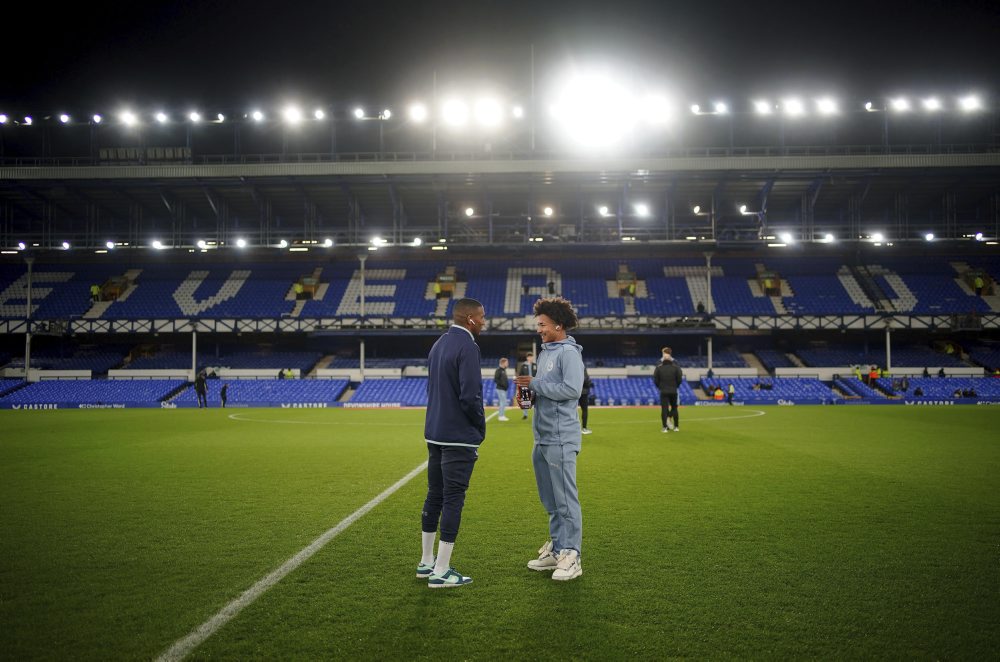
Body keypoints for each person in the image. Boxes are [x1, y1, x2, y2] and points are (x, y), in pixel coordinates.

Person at [418, 298, 487, 588]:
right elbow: (470, 395)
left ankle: (426, 562)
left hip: (434, 431)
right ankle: (442, 570)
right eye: (482, 317)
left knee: (435, 494)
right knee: (453, 499)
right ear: (470, 319)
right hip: (457, 435)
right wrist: (480, 426)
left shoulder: (439, 343)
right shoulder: (467, 346)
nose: (485, 321)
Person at [516, 297, 585, 582]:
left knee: (566, 500)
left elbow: (571, 389)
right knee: (551, 501)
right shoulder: (545, 353)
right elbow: (541, 390)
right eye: (538, 325)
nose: (539, 329)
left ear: (558, 324)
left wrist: (536, 384)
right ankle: (557, 550)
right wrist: (525, 396)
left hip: (561, 438)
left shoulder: (569, 353)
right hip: (542, 437)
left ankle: (572, 555)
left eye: (543, 325)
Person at [653, 347, 683, 433]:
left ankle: (667, 421)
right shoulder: (673, 363)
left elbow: (656, 378)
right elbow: (679, 377)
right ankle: (675, 425)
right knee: (674, 407)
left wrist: (660, 386)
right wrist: (675, 386)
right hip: (673, 388)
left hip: (665, 389)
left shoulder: (661, 363)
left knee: (667, 408)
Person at [518, 352, 537, 420]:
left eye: (531, 357)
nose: (530, 358)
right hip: (525, 384)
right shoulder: (523, 366)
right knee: (525, 399)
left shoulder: (535, 365)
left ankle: (536, 414)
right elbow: (520, 375)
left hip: (534, 384)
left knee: (535, 399)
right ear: (527, 358)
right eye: (529, 357)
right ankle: (525, 415)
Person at [494, 357, 510, 421]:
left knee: (503, 402)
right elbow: (496, 380)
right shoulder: (499, 370)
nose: (508, 364)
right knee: (502, 402)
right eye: (507, 362)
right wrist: (503, 385)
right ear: (503, 363)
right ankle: (501, 416)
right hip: (500, 389)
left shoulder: (504, 370)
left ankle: (502, 415)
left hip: (504, 389)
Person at [579, 367, 593, 434]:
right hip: (583, 392)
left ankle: (570, 429)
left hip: (574, 391)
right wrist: (589, 383)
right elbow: (585, 379)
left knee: (571, 410)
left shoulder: (571, 366)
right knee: (584, 410)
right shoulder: (582, 367)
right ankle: (584, 428)